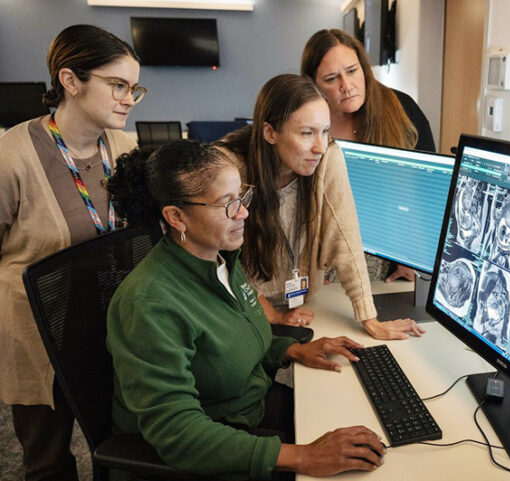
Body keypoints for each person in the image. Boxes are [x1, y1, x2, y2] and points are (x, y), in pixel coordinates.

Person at [106, 140, 386, 480]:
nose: (243, 213)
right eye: (227, 205)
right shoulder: (149, 304)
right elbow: (177, 433)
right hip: (207, 448)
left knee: (354, 420)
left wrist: (294, 348)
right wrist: (303, 456)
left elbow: (234, 339)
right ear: (176, 217)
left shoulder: (219, 258)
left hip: (249, 410)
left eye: (242, 196)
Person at [0, 25, 143, 481]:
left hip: (110, 326)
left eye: (134, 88)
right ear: (70, 80)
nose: (129, 99)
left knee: (118, 445)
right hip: (38, 334)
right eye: (117, 85)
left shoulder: (124, 147)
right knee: (47, 461)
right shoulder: (12, 157)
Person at [217, 74, 424, 341]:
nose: (320, 146)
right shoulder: (229, 167)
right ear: (270, 132)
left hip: (302, 304)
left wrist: (369, 318)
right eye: (306, 133)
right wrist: (269, 312)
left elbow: (346, 238)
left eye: (325, 131)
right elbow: (217, 257)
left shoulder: (328, 157)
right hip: (239, 305)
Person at [301, 28, 436, 283]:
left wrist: (412, 256)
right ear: (313, 85)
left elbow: (427, 192)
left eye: (352, 71)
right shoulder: (307, 121)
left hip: (387, 257)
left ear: (363, 68)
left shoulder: (402, 110)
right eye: (331, 78)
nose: (347, 86)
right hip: (321, 256)